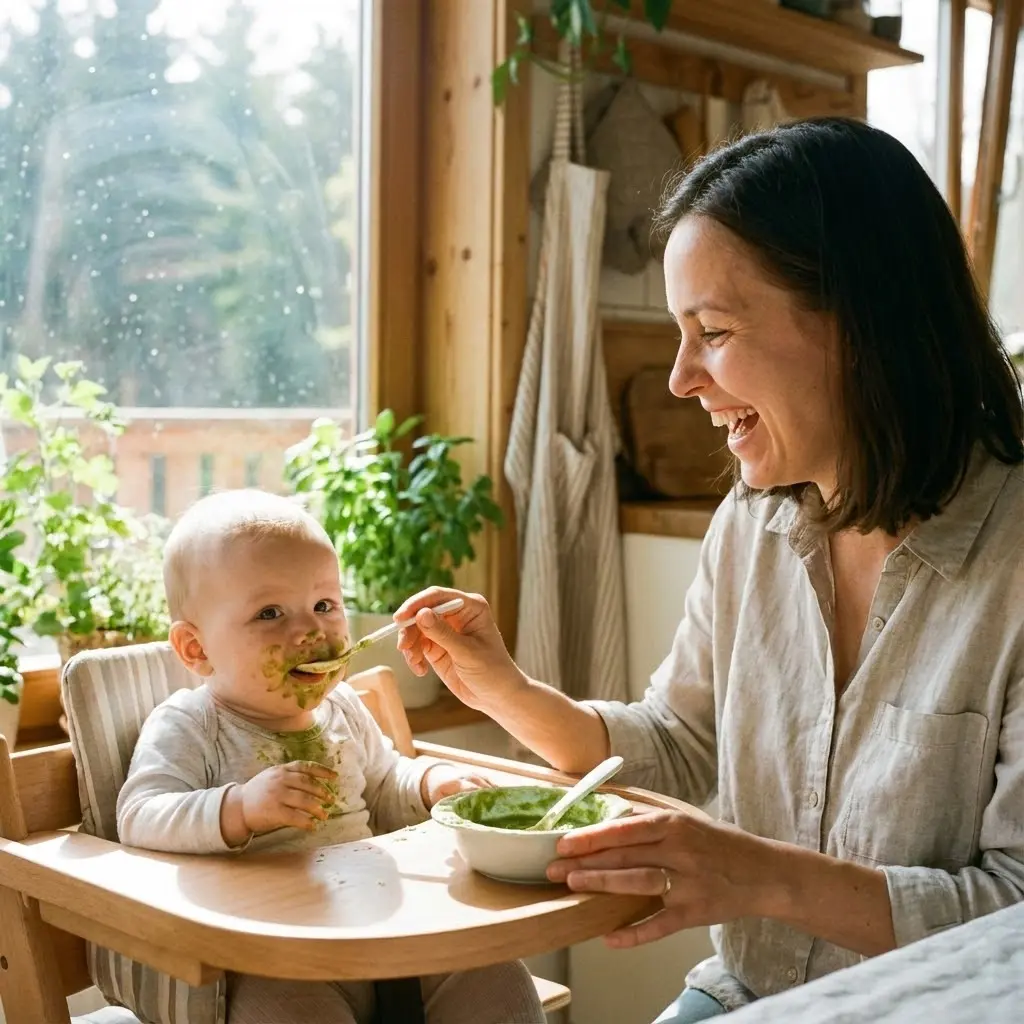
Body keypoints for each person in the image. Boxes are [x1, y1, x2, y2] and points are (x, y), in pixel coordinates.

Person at [393, 117, 1024, 1023]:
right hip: (747, 993)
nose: (682, 377)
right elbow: (679, 742)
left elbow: (1013, 914)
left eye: (714, 331)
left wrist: (761, 876)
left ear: (860, 324)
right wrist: (504, 690)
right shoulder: (752, 524)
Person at [116, 489, 544, 1024]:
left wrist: (431, 782)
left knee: (499, 977)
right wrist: (240, 809)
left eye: (324, 605)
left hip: (388, 931)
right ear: (196, 649)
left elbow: (385, 783)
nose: (311, 630)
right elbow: (139, 815)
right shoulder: (191, 725)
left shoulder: (341, 707)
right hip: (274, 957)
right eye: (270, 613)